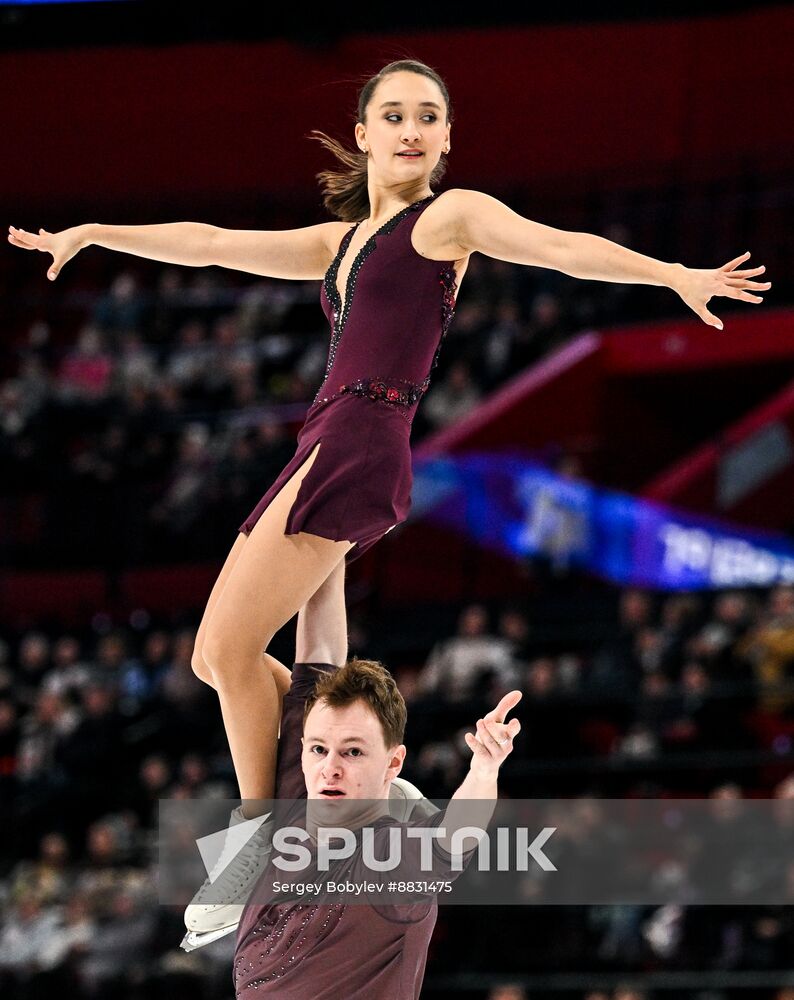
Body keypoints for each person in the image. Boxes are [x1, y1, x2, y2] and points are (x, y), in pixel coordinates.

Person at [8, 53, 770, 941]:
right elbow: (210, 241)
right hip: (328, 438)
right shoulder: (340, 243)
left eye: (431, 117)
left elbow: (564, 249)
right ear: (364, 133)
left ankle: (267, 841)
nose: (414, 130)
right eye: (397, 115)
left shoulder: (451, 217)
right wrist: (96, 231)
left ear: (446, 139)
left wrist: (672, 273)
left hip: (359, 438)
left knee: (221, 652)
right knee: (300, 660)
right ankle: (363, 766)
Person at [232, 653, 521, 999]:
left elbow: (452, 839)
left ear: (393, 762)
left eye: (353, 752)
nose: (331, 768)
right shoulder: (298, 802)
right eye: (319, 749)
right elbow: (318, 648)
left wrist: (484, 771)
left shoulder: (385, 863)